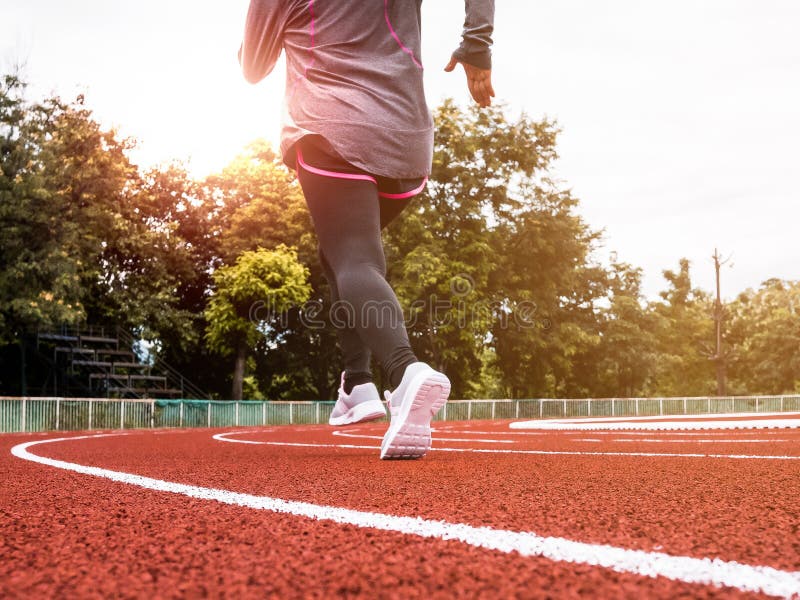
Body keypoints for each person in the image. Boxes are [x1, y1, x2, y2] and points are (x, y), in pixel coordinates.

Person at [240, 0, 495, 459]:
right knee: (342, 256)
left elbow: (253, 68)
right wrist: (478, 41)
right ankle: (357, 384)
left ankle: (405, 372)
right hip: (407, 141)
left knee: (353, 257)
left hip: (330, 126)